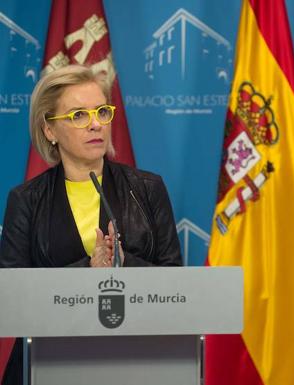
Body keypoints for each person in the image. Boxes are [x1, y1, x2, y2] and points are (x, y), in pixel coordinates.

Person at [0, 64, 182, 384]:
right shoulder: (26, 200)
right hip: (49, 364)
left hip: (136, 363)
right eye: (79, 115)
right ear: (50, 130)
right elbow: (13, 300)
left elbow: (177, 286)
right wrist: (87, 271)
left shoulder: (147, 189)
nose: (96, 124)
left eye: (101, 111)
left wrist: (126, 263)